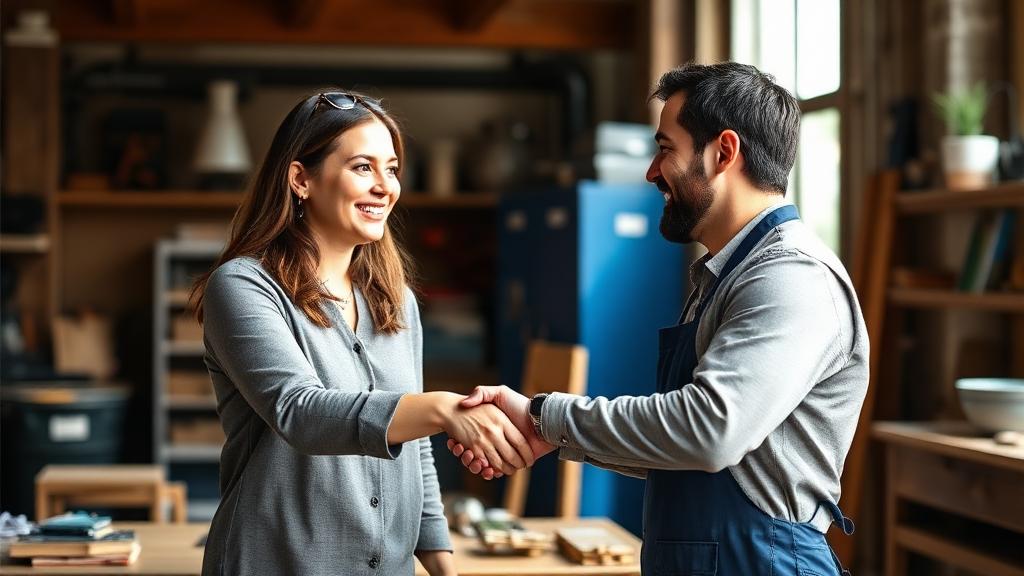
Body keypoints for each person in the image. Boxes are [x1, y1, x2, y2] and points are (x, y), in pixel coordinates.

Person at [448, 62, 869, 576]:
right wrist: (552, 434)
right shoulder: (725, 275)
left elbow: (710, 431)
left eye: (666, 148)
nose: (651, 172)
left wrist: (545, 416)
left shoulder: (790, 278)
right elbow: (683, 450)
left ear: (724, 152)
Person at [191, 90, 536, 576]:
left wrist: (442, 566)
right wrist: (440, 408)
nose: (385, 186)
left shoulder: (396, 301)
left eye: (392, 169)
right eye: (362, 167)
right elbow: (299, 411)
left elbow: (416, 449)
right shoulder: (244, 287)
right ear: (301, 179)